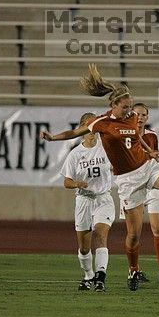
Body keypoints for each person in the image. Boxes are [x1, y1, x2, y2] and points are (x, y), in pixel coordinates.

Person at [40, 64, 159, 291]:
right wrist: (52, 137)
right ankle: (133, 270)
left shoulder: (132, 115)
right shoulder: (101, 122)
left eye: (130, 107)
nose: (129, 111)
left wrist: (150, 151)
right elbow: (74, 133)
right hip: (128, 181)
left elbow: (136, 136)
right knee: (134, 235)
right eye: (125, 107)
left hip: (147, 167)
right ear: (113, 105)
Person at [60, 112, 114, 292]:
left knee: (100, 234)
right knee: (84, 248)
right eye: (88, 126)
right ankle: (88, 275)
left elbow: (120, 164)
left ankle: (100, 278)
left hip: (103, 198)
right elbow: (66, 182)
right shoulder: (75, 154)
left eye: (94, 126)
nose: (92, 131)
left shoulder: (106, 148)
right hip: (83, 200)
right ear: (82, 129)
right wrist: (76, 183)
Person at [132, 103, 159, 284]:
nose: (140, 118)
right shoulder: (124, 134)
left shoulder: (152, 135)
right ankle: (134, 270)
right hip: (133, 186)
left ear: (147, 118)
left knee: (157, 228)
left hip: (152, 186)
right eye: (137, 114)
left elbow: (155, 158)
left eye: (143, 115)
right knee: (134, 232)